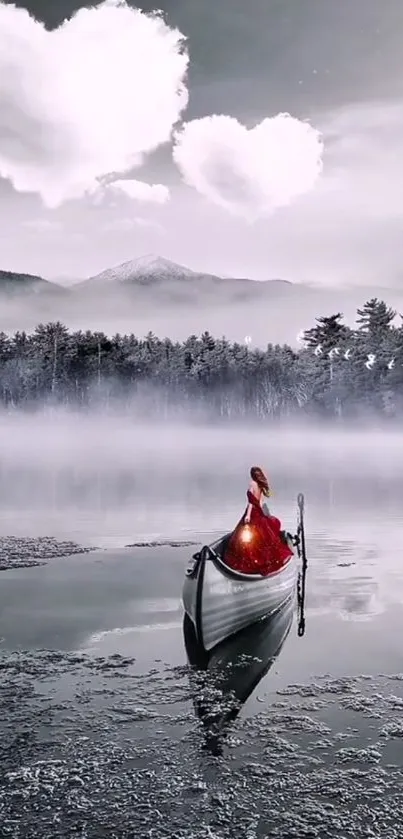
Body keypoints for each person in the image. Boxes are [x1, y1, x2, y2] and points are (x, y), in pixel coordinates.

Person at [223, 466, 293, 576]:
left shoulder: (252, 484)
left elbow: (251, 502)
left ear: (252, 475)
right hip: (259, 512)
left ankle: (247, 564)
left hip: (252, 513)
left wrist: (248, 515)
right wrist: (261, 514)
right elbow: (260, 503)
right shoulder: (261, 486)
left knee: (244, 537)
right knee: (262, 537)